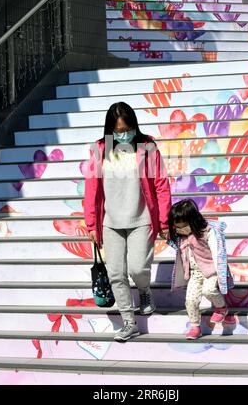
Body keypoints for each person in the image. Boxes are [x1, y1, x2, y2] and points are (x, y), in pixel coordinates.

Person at [84, 102, 172, 342]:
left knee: (136, 268)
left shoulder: (147, 147)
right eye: (118, 130)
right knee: (115, 273)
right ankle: (128, 322)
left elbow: (161, 184)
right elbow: (91, 189)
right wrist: (91, 224)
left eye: (127, 128)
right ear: (110, 130)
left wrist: (164, 220)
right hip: (110, 221)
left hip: (141, 218)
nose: (123, 134)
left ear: (134, 126)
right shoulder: (101, 150)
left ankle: (144, 290)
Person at [167, 199, 234, 340]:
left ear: (193, 221)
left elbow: (217, 251)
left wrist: (221, 273)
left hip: (211, 270)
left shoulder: (207, 232)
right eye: (177, 227)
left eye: (183, 226)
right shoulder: (181, 236)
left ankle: (222, 308)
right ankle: (195, 326)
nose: (181, 230)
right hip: (194, 273)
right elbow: (175, 244)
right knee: (190, 300)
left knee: (208, 290)